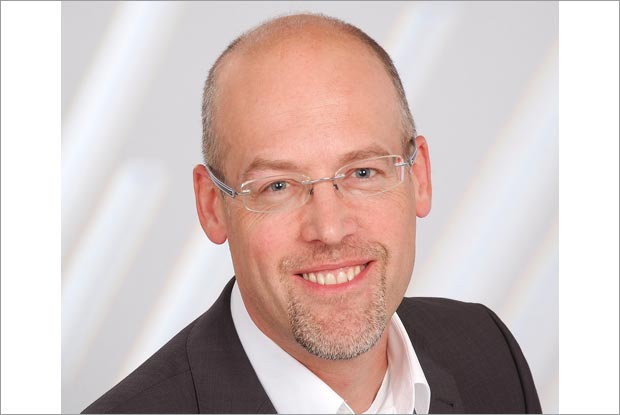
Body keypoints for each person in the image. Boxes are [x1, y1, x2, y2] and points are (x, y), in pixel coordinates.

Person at [83, 13, 541, 414]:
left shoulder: (488, 352)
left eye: (363, 172)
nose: (330, 228)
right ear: (211, 206)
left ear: (419, 177)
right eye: (278, 186)